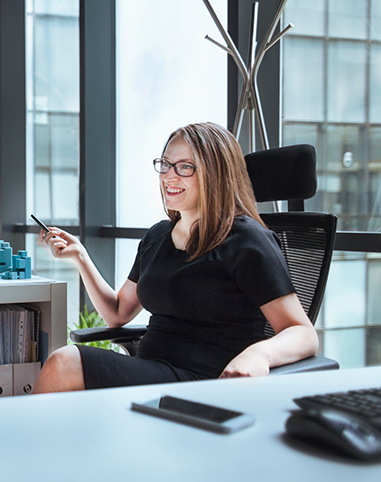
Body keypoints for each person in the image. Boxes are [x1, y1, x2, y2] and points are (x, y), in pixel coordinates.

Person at [33, 122, 319, 394]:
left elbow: (303, 333)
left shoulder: (246, 239)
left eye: (185, 167)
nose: (170, 176)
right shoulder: (158, 236)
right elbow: (117, 313)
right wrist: (80, 256)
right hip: (151, 371)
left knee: (64, 365)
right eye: (166, 164)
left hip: (207, 380)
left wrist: (259, 354)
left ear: (215, 173)